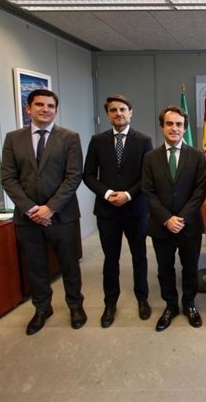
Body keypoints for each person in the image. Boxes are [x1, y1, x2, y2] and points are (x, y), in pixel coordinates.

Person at [1, 89, 87, 335]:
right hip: (27, 218)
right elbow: (8, 178)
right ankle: (41, 308)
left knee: (69, 265)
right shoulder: (13, 139)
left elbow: (73, 176)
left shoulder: (70, 137)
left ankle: (75, 305)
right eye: (39, 105)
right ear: (29, 109)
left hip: (63, 216)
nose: (45, 109)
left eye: (50, 106)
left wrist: (50, 208)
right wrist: (30, 209)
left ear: (56, 110)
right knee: (35, 266)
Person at [83, 94, 153, 328]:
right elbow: (88, 174)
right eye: (113, 110)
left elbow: (148, 176)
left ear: (130, 112)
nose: (118, 114)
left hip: (135, 209)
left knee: (139, 257)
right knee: (110, 259)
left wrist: (128, 195)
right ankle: (110, 303)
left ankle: (142, 299)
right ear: (108, 114)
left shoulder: (144, 140)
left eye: (123, 109)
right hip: (107, 210)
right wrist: (107, 194)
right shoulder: (97, 141)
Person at [142, 106, 206, 332]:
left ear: (184, 128)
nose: (174, 128)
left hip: (189, 225)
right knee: (165, 268)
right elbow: (147, 191)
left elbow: (200, 191)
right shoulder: (150, 157)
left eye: (179, 124)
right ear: (162, 127)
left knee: (190, 267)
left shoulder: (197, 155)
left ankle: (189, 303)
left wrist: (181, 218)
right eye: (169, 124)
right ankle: (170, 306)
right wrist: (167, 219)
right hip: (161, 226)